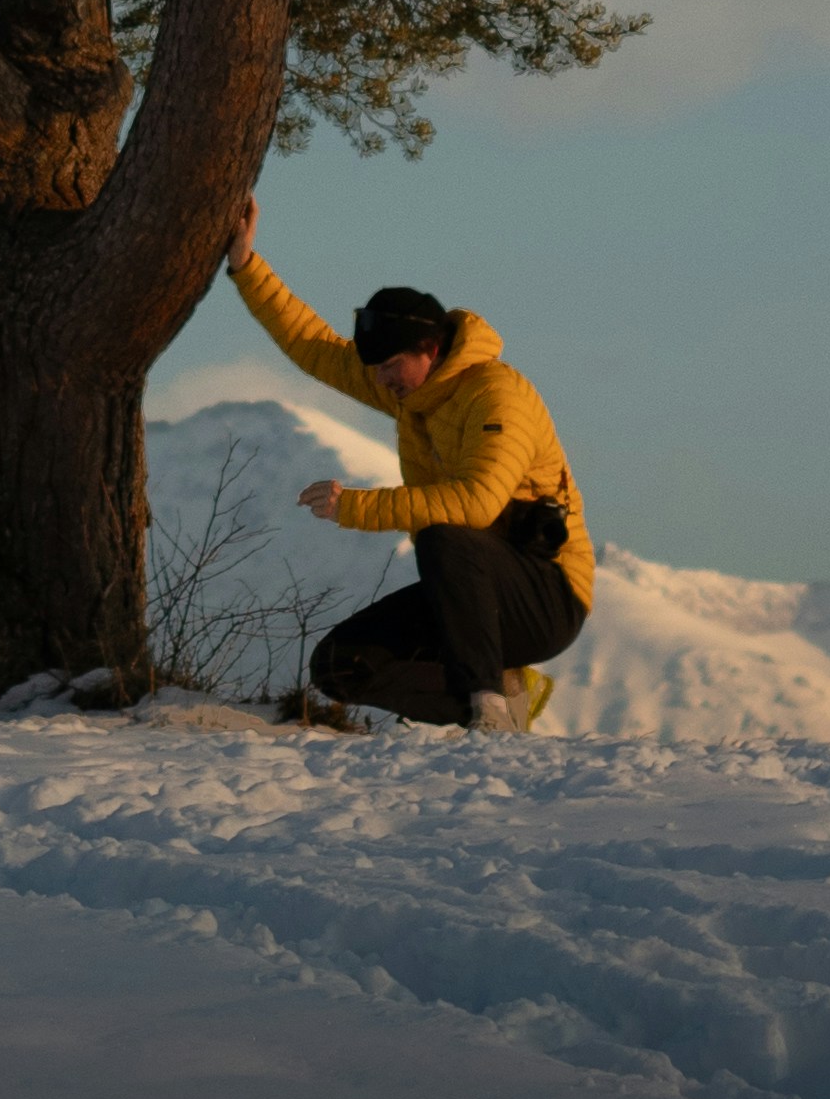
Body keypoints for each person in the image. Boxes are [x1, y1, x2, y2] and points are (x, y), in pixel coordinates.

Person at [224, 195, 593, 731]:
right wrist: (244, 264)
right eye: (374, 370)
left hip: (547, 597)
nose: (382, 381)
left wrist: (354, 506)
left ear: (432, 348)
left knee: (445, 533)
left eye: (392, 366)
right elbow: (313, 347)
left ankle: (487, 707)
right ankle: (505, 698)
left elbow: (477, 503)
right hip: (465, 591)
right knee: (338, 666)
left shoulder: (496, 395)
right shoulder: (408, 393)